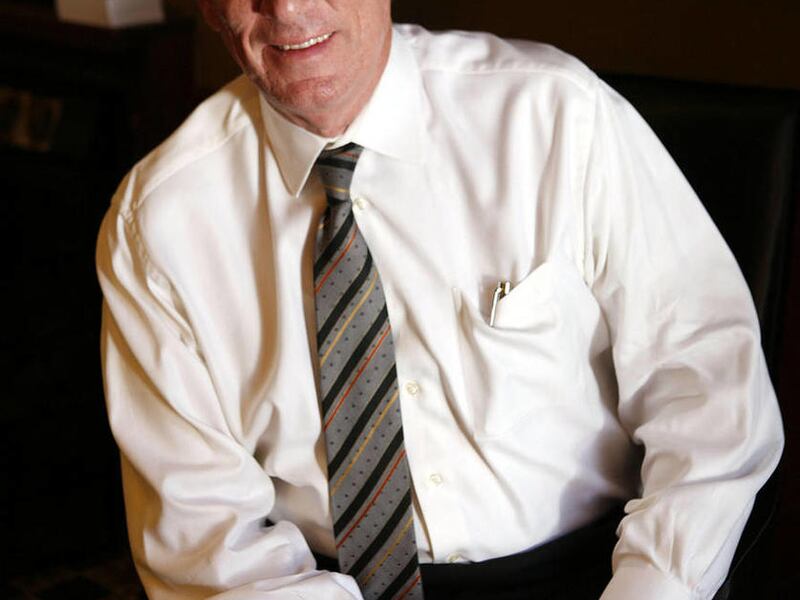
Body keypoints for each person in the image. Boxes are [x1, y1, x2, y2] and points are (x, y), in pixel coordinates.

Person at [95, 1, 784, 599]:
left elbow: (711, 403)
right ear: (210, 7)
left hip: (598, 574)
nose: (290, 7)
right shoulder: (156, 225)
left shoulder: (556, 116)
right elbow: (213, 548)